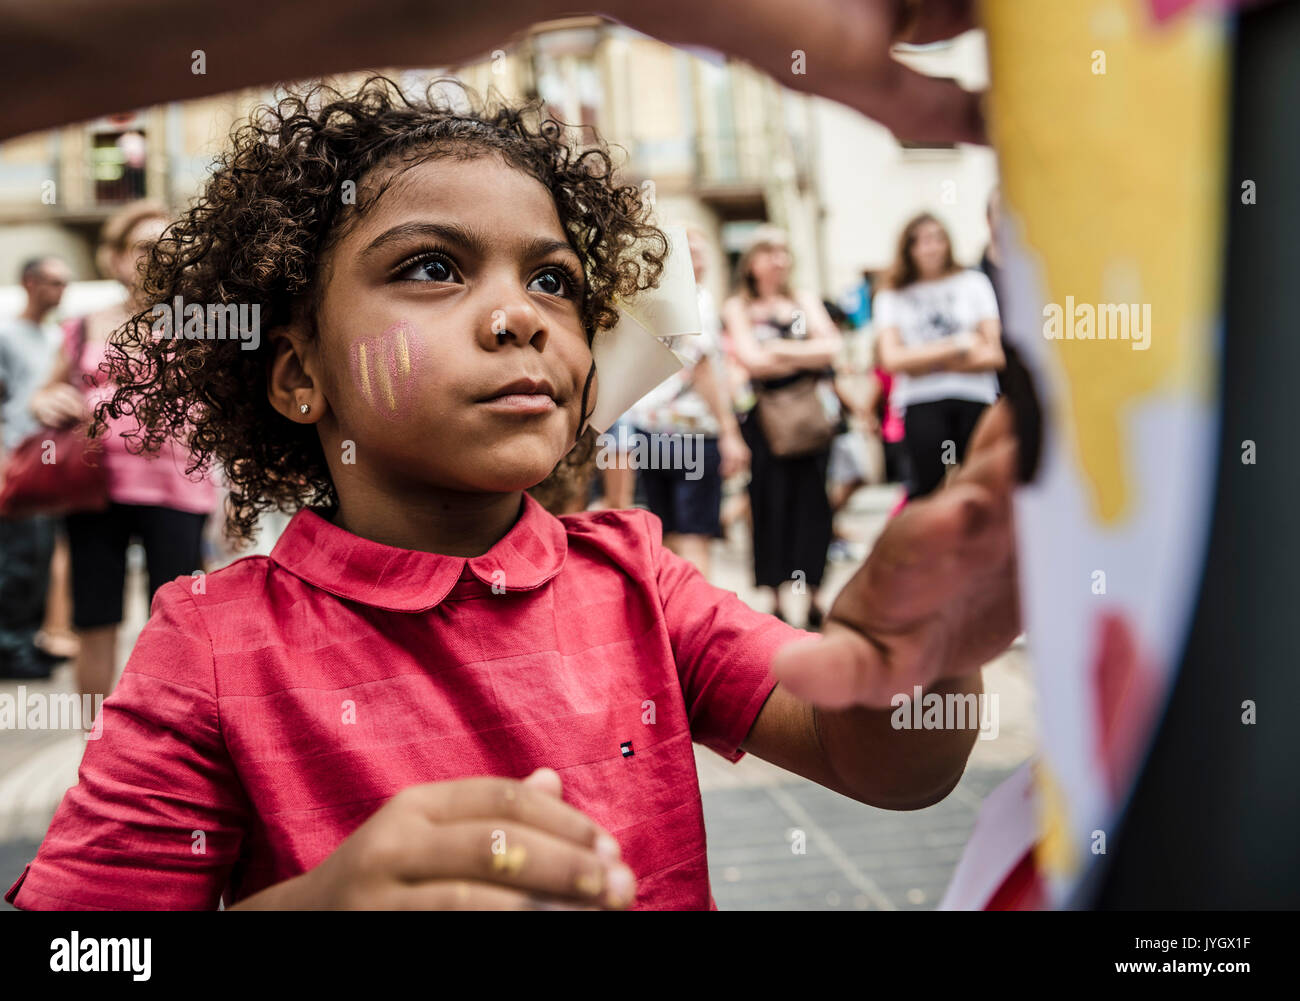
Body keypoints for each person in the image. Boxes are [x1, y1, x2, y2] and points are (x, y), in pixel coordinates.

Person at [6, 79, 1017, 911]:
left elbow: (888, 759)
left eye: (553, 281)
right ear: (298, 373)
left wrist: (927, 642)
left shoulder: (634, 577)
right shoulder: (211, 643)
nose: (517, 318)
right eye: (434, 267)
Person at [29, 201, 217, 703]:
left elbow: (230, 410)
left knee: (177, 624)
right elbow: (44, 392)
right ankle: (94, 752)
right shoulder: (83, 324)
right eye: (142, 248)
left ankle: (163, 749)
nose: (158, 258)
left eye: (169, 247)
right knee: (95, 620)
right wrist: (51, 400)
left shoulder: (200, 324)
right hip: (95, 489)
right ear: (113, 258)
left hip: (179, 489)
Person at [724, 228, 842, 628]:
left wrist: (777, 350)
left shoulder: (802, 300)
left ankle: (815, 594)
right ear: (752, 260)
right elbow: (751, 360)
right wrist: (802, 355)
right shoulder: (738, 306)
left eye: (784, 252)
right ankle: (774, 597)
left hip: (807, 416)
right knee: (769, 504)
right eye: (769, 251)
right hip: (764, 418)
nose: (779, 259)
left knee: (814, 505)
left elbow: (831, 347)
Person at [628, 225, 748, 577]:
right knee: (695, 538)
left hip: (649, 428)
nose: (700, 259)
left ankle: (669, 623)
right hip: (691, 430)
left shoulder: (648, 300)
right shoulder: (694, 300)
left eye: (702, 251)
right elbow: (703, 368)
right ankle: (695, 626)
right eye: (691, 252)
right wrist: (730, 431)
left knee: (668, 537)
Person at [874, 213, 1004, 500]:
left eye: (936, 238)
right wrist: (959, 345)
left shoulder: (973, 283)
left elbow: (993, 352)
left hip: (973, 398)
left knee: (979, 486)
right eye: (920, 241)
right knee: (930, 489)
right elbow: (892, 359)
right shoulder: (892, 294)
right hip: (922, 404)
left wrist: (921, 362)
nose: (930, 248)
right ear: (908, 248)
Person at [0, 255, 73, 679]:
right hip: (17, 460)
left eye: (65, 283)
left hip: (51, 463)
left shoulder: (52, 338)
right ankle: (9, 645)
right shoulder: (7, 335)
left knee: (42, 554)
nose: (60, 290)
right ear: (30, 282)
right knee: (17, 557)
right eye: (53, 281)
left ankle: (25, 639)